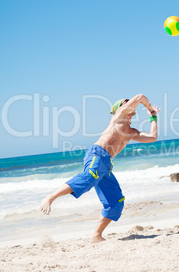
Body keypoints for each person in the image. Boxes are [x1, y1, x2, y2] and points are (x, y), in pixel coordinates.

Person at [39, 94, 160, 242]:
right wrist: (148, 106)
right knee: (89, 177)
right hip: (97, 153)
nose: (129, 102)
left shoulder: (131, 132)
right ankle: (50, 198)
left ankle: (96, 235)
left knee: (116, 202)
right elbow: (140, 97)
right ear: (119, 109)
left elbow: (153, 137)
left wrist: (153, 117)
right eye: (125, 102)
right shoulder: (118, 117)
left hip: (107, 163)